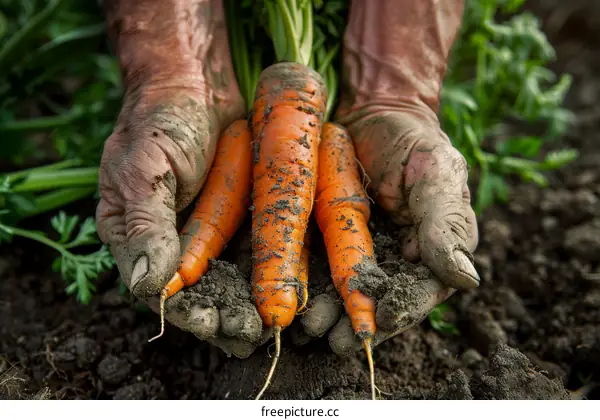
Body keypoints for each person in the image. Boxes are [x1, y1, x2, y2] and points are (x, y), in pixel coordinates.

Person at [96, 0, 479, 358]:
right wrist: (175, 77)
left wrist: (392, 93)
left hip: (315, 122)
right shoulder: (238, 139)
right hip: (237, 117)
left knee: (332, 213)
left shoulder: (329, 142)